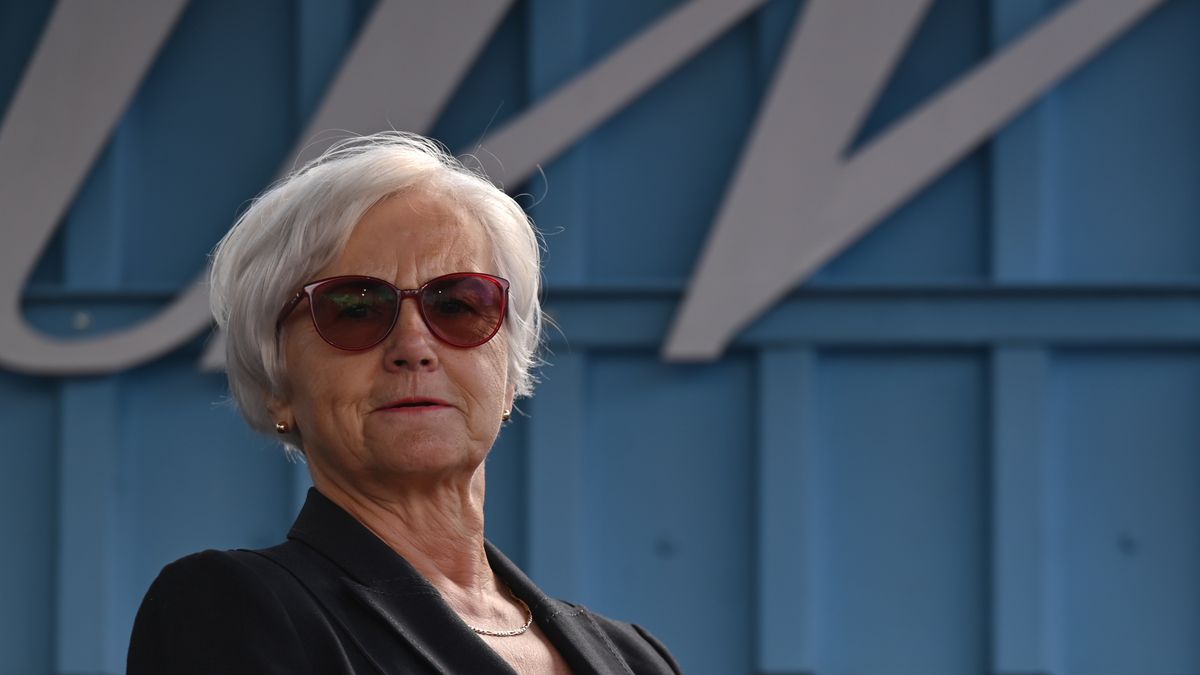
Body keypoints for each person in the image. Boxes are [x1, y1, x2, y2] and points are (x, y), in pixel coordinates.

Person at [127, 132, 680, 674]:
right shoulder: (232, 610)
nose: (414, 347)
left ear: (509, 375)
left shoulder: (634, 660)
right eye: (355, 309)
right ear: (277, 382)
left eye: (460, 305)